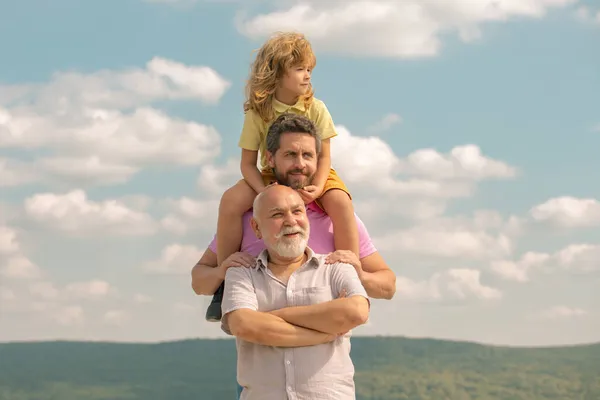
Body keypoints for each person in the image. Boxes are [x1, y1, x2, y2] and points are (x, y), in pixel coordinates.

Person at [194, 113, 396, 322]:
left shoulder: (337, 219)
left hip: (325, 353)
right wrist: (221, 273)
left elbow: (388, 285)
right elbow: (198, 280)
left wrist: (360, 276)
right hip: (262, 350)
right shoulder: (250, 220)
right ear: (270, 158)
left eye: (308, 155)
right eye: (290, 154)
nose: (300, 164)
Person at [215, 31, 359, 282]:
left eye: (309, 70)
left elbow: (324, 157)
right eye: (300, 69)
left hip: (314, 171)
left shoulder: (316, 107)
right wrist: (262, 192)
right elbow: (247, 164)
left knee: (340, 201)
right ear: (278, 73)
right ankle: (225, 279)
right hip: (271, 172)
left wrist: (318, 188)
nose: (307, 76)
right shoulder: (258, 112)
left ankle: (350, 273)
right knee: (230, 200)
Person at [221, 184, 370, 399]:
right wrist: (323, 333)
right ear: (256, 228)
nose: (291, 221)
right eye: (277, 214)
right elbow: (243, 325)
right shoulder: (242, 272)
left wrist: (270, 318)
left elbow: (356, 312)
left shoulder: (336, 267)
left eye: (297, 211)